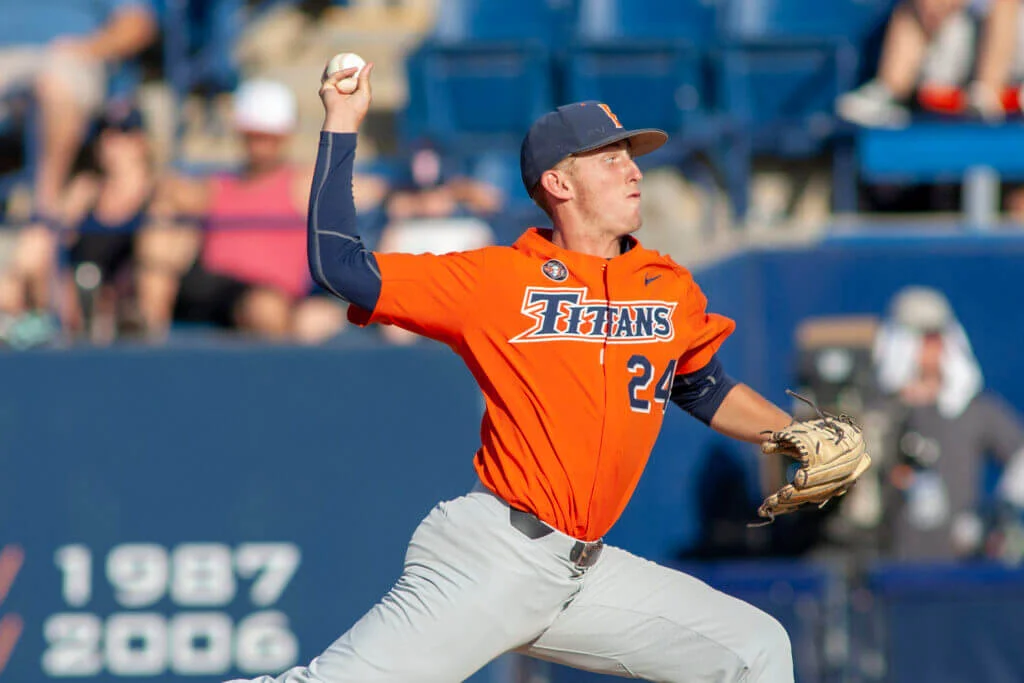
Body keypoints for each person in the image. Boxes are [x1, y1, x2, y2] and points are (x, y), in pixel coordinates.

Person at [230, 63, 806, 683]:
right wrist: (342, 122)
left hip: (585, 575)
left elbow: (703, 387)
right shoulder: (497, 280)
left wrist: (798, 433)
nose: (633, 169)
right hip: (495, 555)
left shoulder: (667, 285)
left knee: (756, 647)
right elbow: (340, 265)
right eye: (610, 158)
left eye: (630, 157)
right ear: (558, 182)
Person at [135, 79, 358, 343]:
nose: (259, 144)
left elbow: (358, 189)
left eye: (267, 137)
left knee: (266, 308)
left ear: (283, 137)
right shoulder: (219, 185)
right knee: (163, 228)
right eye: (252, 136)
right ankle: (148, 341)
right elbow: (170, 191)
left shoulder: (301, 183)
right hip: (211, 286)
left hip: (266, 297)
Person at [857, 286, 1024, 561]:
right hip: (888, 567)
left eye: (938, 337)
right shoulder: (876, 411)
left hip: (957, 569)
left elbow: (1019, 455)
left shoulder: (974, 409)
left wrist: (997, 514)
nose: (932, 347)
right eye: (922, 338)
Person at [837, 0, 1023, 127]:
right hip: (953, 48)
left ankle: (986, 94)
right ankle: (889, 92)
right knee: (910, 10)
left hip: (1011, 60)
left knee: (1004, 4)